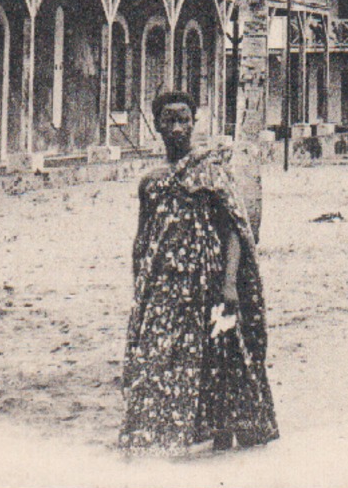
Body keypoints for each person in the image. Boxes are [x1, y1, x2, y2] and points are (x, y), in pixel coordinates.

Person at [120, 90, 279, 452]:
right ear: (157, 126)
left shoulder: (211, 172)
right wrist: (139, 288)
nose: (177, 128)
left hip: (208, 283)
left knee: (218, 355)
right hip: (164, 287)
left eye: (183, 120)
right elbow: (143, 237)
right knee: (161, 357)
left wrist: (229, 285)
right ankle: (163, 434)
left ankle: (221, 433)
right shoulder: (152, 182)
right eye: (168, 120)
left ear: (194, 123)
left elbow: (234, 231)